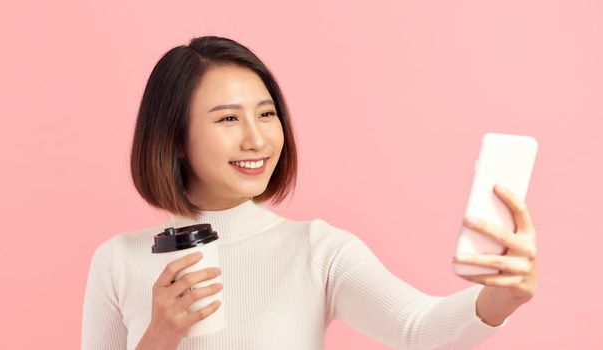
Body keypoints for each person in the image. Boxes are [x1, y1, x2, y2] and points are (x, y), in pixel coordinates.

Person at [81, 36, 539, 350]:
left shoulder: (318, 252)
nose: (257, 140)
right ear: (175, 138)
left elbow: (419, 328)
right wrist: (159, 337)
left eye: (266, 114)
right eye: (227, 119)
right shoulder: (118, 260)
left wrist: (503, 297)